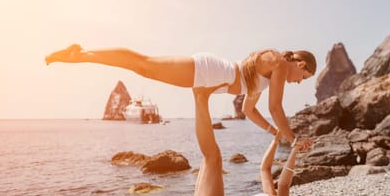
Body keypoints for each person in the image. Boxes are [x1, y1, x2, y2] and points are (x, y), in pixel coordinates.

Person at [45, 44, 316, 145]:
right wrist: (293, 139)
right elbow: (277, 108)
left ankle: (81, 55)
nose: (298, 83)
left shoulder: (268, 74)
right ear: (301, 64)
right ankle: (80, 54)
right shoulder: (279, 62)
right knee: (145, 64)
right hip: (209, 71)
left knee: (145, 66)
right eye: (303, 78)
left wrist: (274, 132)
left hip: (212, 75)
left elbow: (248, 110)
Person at [189, 86, 342, 196]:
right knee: (207, 158)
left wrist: (295, 150)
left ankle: (201, 95)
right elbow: (265, 169)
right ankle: (199, 93)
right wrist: (275, 141)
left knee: (213, 157)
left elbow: (283, 185)